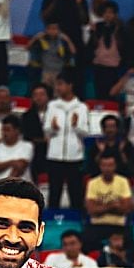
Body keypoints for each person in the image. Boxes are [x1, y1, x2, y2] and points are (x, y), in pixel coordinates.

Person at [43, 75, 91, 210]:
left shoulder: (81, 107)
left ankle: (76, 221)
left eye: (61, 84)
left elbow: (86, 132)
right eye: (56, 85)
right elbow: (46, 130)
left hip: (74, 156)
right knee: (54, 192)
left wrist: (76, 125)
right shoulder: (52, 106)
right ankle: (52, 221)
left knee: (75, 192)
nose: (58, 88)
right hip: (55, 155)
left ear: (70, 85)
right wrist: (52, 127)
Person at [83, 152, 134, 250]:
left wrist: (101, 206)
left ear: (115, 166)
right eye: (104, 165)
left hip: (119, 226)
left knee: (130, 245)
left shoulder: (123, 181)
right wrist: (113, 205)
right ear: (100, 166)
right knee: (86, 241)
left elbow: (127, 208)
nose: (107, 168)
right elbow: (91, 210)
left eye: (110, 165)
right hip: (97, 225)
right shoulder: (92, 182)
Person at [0, 115, 34, 183]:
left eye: (7, 130)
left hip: (20, 188)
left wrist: (6, 186)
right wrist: (11, 163)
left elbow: (20, 168)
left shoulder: (27, 146)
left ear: (17, 131)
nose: (4, 133)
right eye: (3, 130)